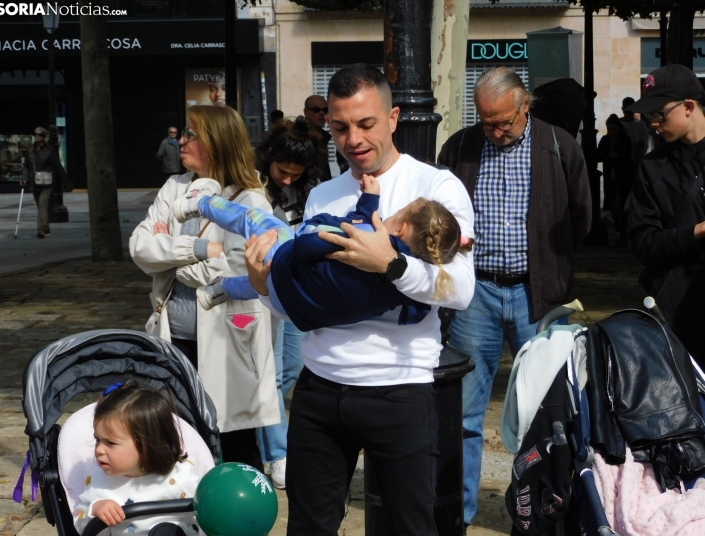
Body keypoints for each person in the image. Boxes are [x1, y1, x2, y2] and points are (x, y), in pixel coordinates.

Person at [244, 63, 475, 536]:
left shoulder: (435, 187)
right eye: (341, 126)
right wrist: (263, 286)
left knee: (409, 528)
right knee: (308, 527)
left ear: (393, 118)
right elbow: (306, 302)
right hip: (320, 389)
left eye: (366, 124)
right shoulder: (324, 194)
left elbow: (461, 289)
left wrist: (389, 263)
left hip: (401, 389)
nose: (354, 138)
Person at [436, 66, 591, 531]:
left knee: (546, 412)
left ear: (525, 107)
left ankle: (541, 511)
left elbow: (582, 218)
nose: (496, 131)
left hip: (536, 294)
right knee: (464, 410)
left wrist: (551, 268)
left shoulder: (559, 145)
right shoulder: (460, 147)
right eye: (487, 122)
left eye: (504, 121)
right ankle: (458, 514)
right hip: (475, 292)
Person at [129, 105, 280, 472]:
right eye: (183, 131)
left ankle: (242, 516)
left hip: (230, 339)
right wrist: (198, 248)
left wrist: (175, 260)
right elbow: (140, 248)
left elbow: (241, 266)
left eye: (191, 133)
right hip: (175, 336)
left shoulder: (248, 199)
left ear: (217, 141)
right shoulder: (174, 187)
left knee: (234, 435)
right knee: (181, 435)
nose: (181, 140)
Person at [177, 175, 470, 330]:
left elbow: (306, 247)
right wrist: (370, 201)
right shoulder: (408, 291)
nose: (388, 215)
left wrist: (311, 231)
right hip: (293, 311)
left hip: (285, 274)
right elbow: (413, 315)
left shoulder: (367, 240)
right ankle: (221, 289)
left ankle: (200, 203)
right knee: (258, 285)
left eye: (396, 215)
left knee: (254, 219)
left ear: (402, 228)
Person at [251, 115, 323, 489]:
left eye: (296, 173)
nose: (288, 179)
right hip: (265, 290)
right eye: (282, 171)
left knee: (291, 369)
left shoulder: (314, 190)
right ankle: (277, 455)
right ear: (269, 159)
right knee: (273, 374)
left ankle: (270, 441)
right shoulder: (255, 190)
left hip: (299, 289)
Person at [626, 64, 705, 368]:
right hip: (674, 316)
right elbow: (643, 244)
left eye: (659, 114)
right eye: (649, 117)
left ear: (688, 107)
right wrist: (696, 232)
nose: (653, 124)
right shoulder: (652, 167)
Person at [72, 382, 200, 536]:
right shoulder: (99, 485)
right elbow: (80, 525)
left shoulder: (181, 476)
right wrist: (95, 510)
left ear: (148, 444)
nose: (98, 449)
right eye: (97, 440)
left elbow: (211, 512)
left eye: (110, 443)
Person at [20, 127, 69, 239]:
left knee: (43, 204)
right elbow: (26, 166)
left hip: (46, 184)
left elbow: (58, 167)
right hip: (34, 183)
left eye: (39, 134)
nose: (37, 136)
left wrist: (66, 182)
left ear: (43, 137)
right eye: (35, 134)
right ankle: (45, 228)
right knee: (41, 207)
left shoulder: (49, 152)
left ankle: (41, 229)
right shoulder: (30, 151)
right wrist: (24, 177)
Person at [598, 114, 634, 245]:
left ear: (618, 127)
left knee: (620, 206)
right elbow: (600, 153)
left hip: (622, 177)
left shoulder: (625, 140)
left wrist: (616, 156)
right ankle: (620, 231)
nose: (611, 131)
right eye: (609, 128)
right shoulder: (606, 140)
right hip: (611, 178)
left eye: (613, 128)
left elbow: (625, 155)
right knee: (613, 206)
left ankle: (623, 232)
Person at [303, 94, 334, 181]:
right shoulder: (301, 137)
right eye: (316, 110)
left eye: (325, 110)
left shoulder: (322, 137)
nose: (322, 113)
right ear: (305, 112)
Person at [620, 96, 650, 166]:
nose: (629, 113)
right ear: (623, 109)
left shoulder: (641, 125)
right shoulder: (618, 124)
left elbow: (644, 144)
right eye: (628, 110)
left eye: (631, 110)